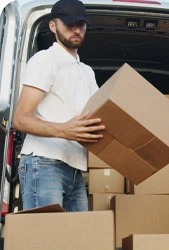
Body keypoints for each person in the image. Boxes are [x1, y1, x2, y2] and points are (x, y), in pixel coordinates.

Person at [13, 0, 105, 211]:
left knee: (78, 241)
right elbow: (20, 118)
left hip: (76, 169)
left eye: (81, 24)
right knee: (45, 239)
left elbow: (101, 116)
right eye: (69, 24)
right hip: (44, 163)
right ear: (53, 26)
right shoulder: (46, 60)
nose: (76, 30)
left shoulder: (86, 72)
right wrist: (65, 130)